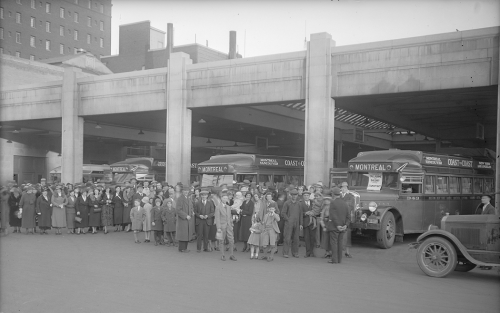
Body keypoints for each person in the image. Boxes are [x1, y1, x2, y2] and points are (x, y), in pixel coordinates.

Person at [325, 187, 350, 264]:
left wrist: (337, 225)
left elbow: (333, 215)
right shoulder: (345, 203)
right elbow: (348, 216)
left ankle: (334, 259)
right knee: (340, 243)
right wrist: (346, 225)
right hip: (343, 227)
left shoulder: (333, 203)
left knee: (334, 243)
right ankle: (339, 259)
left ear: (333, 194)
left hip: (334, 227)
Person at [280, 189, 303, 258]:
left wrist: (301, 224)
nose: (294, 196)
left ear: (297, 195)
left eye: (295, 195)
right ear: (291, 195)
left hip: (297, 222)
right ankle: (285, 253)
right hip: (289, 223)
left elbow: (301, 214)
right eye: (293, 195)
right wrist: (288, 219)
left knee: (296, 239)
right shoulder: (287, 203)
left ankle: (295, 252)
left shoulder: (299, 203)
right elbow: (283, 213)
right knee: (287, 238)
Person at [214, 193, 237, 261]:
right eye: (224, 198)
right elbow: (217, 218)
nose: (225, 199)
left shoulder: (229, 207)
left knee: (231, 240)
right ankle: (222, 255)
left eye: (226, 198)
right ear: (221, 198)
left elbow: (229, 217)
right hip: (221, 226)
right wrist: (218, 228)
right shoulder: (218, 207)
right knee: (221, 241)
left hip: (229, 226)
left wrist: (231, 225)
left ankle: (231, 255)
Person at [175, 186, 194, 253]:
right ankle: (182, 248)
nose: (186, 192)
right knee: (183, 234)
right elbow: (178, 210)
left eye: (187, 190)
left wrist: (192, 212)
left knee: (186, 234)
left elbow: (191, 207)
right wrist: (186, 216)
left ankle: (185, 248)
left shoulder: (188, 199)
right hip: (183, 220)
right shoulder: (180, 199)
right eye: (185, 191)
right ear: (182, 191)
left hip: (188, 219)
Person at [340, 182, 357, 258]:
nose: (343, 188)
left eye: (344, 187)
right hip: (340, 217)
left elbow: (351, 207)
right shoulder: (339, 196)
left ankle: (347, 252)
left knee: (347, 235)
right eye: (342, 187)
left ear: (347, 188)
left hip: (347, 217)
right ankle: (338, 251)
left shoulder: (350, 196)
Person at [301, 190, 317, 257]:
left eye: (307, 195)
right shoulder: (300, 203)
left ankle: (312, 252)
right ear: (303, 196)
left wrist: (313, 213)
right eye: (305, 195)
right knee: (307, 238)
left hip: (313, 222)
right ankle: (307, 252)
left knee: (312, 238)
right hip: (305, 222)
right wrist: (305, 213)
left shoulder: (313, 202)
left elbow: (317, 211)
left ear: (309, 196)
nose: (306, 197)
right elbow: (299, 213)